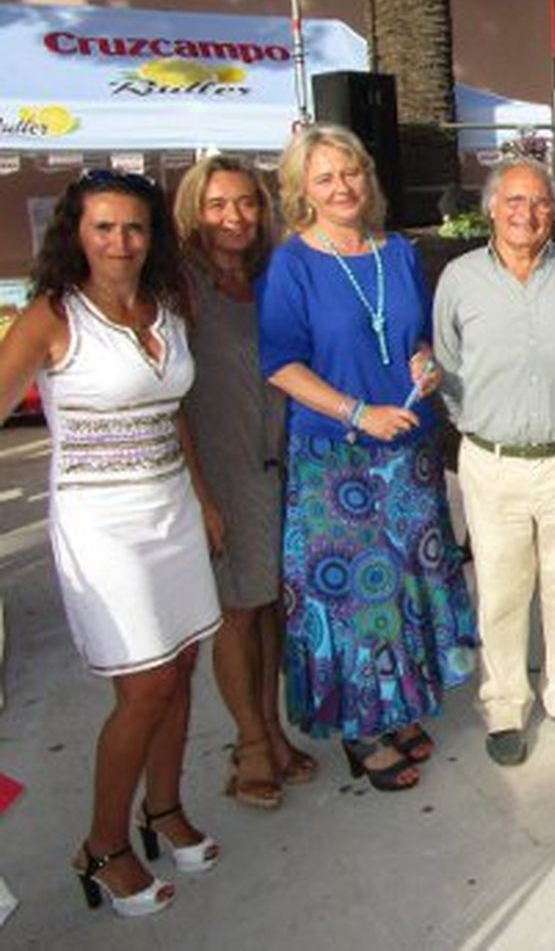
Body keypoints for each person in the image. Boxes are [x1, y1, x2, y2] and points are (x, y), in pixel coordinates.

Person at [0, 171, 221, 916]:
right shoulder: (51, 317)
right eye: (104, 227)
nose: (121, 241)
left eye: (134, 227)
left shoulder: (167, 305)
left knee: (184, 662)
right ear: (77, 233)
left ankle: (163, 809)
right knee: (146, 683)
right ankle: (102, 844)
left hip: (173, 511)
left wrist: (202, 497)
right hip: (103, 526)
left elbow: (175, 411)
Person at [258, 124, 477, 791]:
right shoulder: (293, 263)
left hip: (407, 451)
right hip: (337, 459)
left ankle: (401, 703)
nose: (341, 186)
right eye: (324, 177)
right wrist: (358, 411)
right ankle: (361, 726)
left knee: (409, 584)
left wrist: (425, 363)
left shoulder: (400, 252)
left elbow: (413, 335)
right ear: (303, 191)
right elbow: (280, 364)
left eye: (349, 172)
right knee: (352, 598)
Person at [434, 158, 555, 765]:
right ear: (492, 207)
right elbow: (447, 364)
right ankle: (505, 706)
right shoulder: (460, 278)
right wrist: (481, 424)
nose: (528, 214)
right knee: (501, 588)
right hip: (490, 460)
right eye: (515, 201)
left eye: (541, 202)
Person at [173, 155, 318, 809]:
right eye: (218, 204)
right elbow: (169, 400)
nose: (234, 216)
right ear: (194, 211)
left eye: (246, 203)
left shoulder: (270, 278)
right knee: (238, 610)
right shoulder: (179, 287)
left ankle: (272, 730)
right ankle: (251, 745)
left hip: (282, 463)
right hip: (224, 466)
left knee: (272, 611)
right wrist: (200, 495)